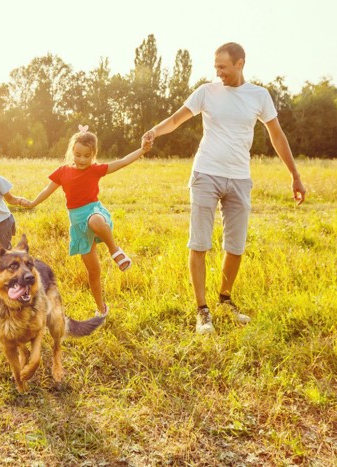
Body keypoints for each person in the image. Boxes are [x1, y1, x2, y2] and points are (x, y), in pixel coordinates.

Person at [142, 42, 306, 334]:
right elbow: (178, 118)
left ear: (240, 64)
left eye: (223, 67)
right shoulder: (207, 91)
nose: (218, 73)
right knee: (200, 243)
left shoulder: (259, 96)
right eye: (216, 67)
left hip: (240, 178)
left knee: (236, 246)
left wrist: (294, 174)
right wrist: (155, 131)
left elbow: (277, 136)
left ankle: (225, 300)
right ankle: (202, 311)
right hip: (206, 173)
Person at [17, 125, 152, 315]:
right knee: (93, 272)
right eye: (78, 155)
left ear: (93, 154)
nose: (82, 160)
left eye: (87, 156)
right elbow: (47, 190)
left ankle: (115, 251)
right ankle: (101, 308)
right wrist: (32, 203)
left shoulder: (96, 170)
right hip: (77, 222)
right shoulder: (63, 171)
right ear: (73, 152)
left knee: (95, 221)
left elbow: (122, 162)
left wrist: (142, 150)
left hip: (93, 211)